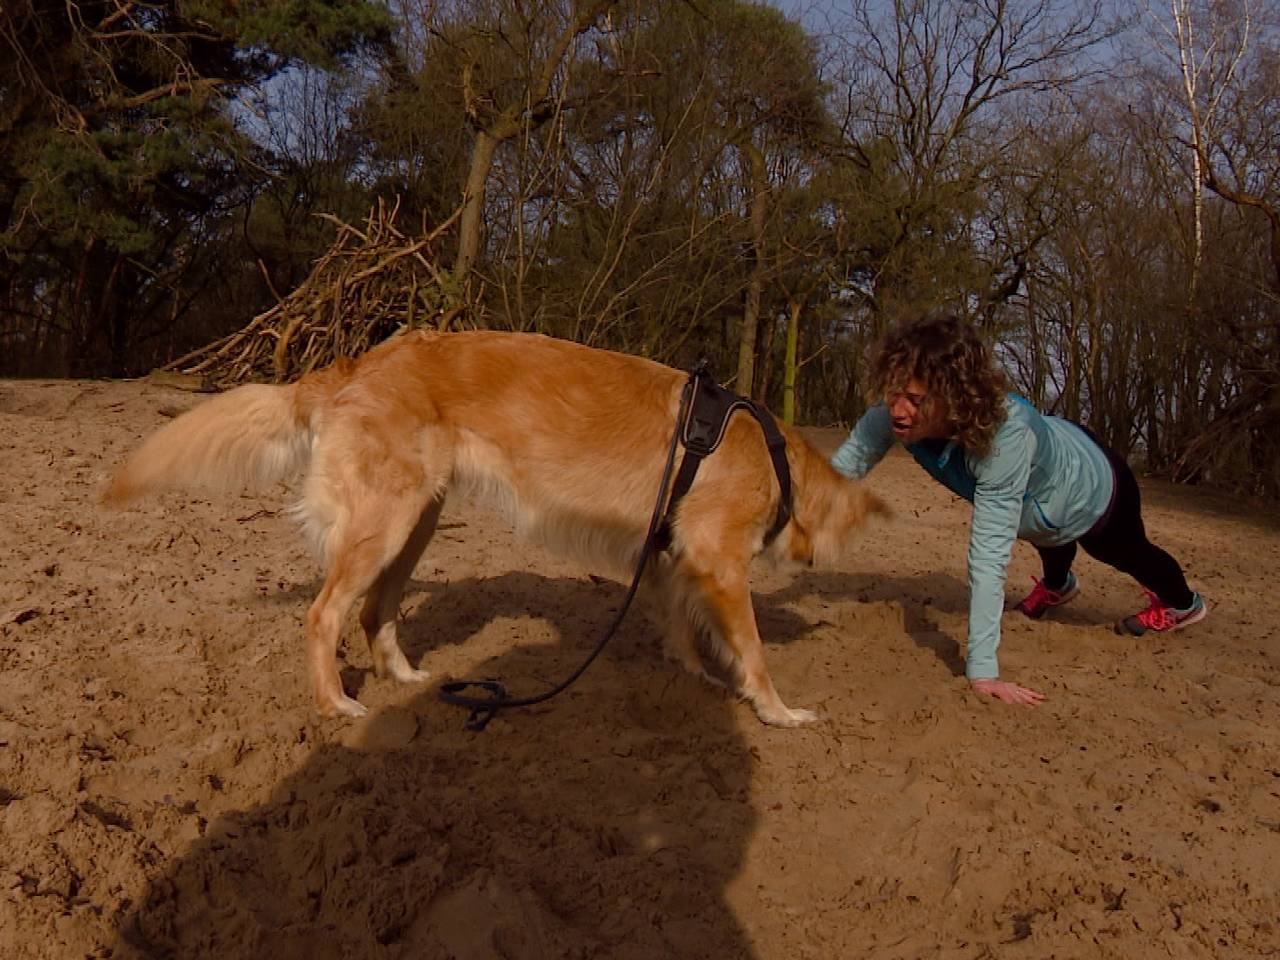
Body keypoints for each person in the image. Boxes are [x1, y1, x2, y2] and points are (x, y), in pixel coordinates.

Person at [831, 312, 1207, 706]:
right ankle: (1059, 588)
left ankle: (1184, 605)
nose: (898, 410)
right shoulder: (892, 415)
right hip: (1040, 498)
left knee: (1119, 550)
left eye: (917, 400)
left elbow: (989, 555)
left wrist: (982, 672)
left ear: (954, 398)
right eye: (895, 393)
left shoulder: (1004, 440)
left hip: (1096, 489)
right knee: (1041, 529)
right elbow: (842, 470)